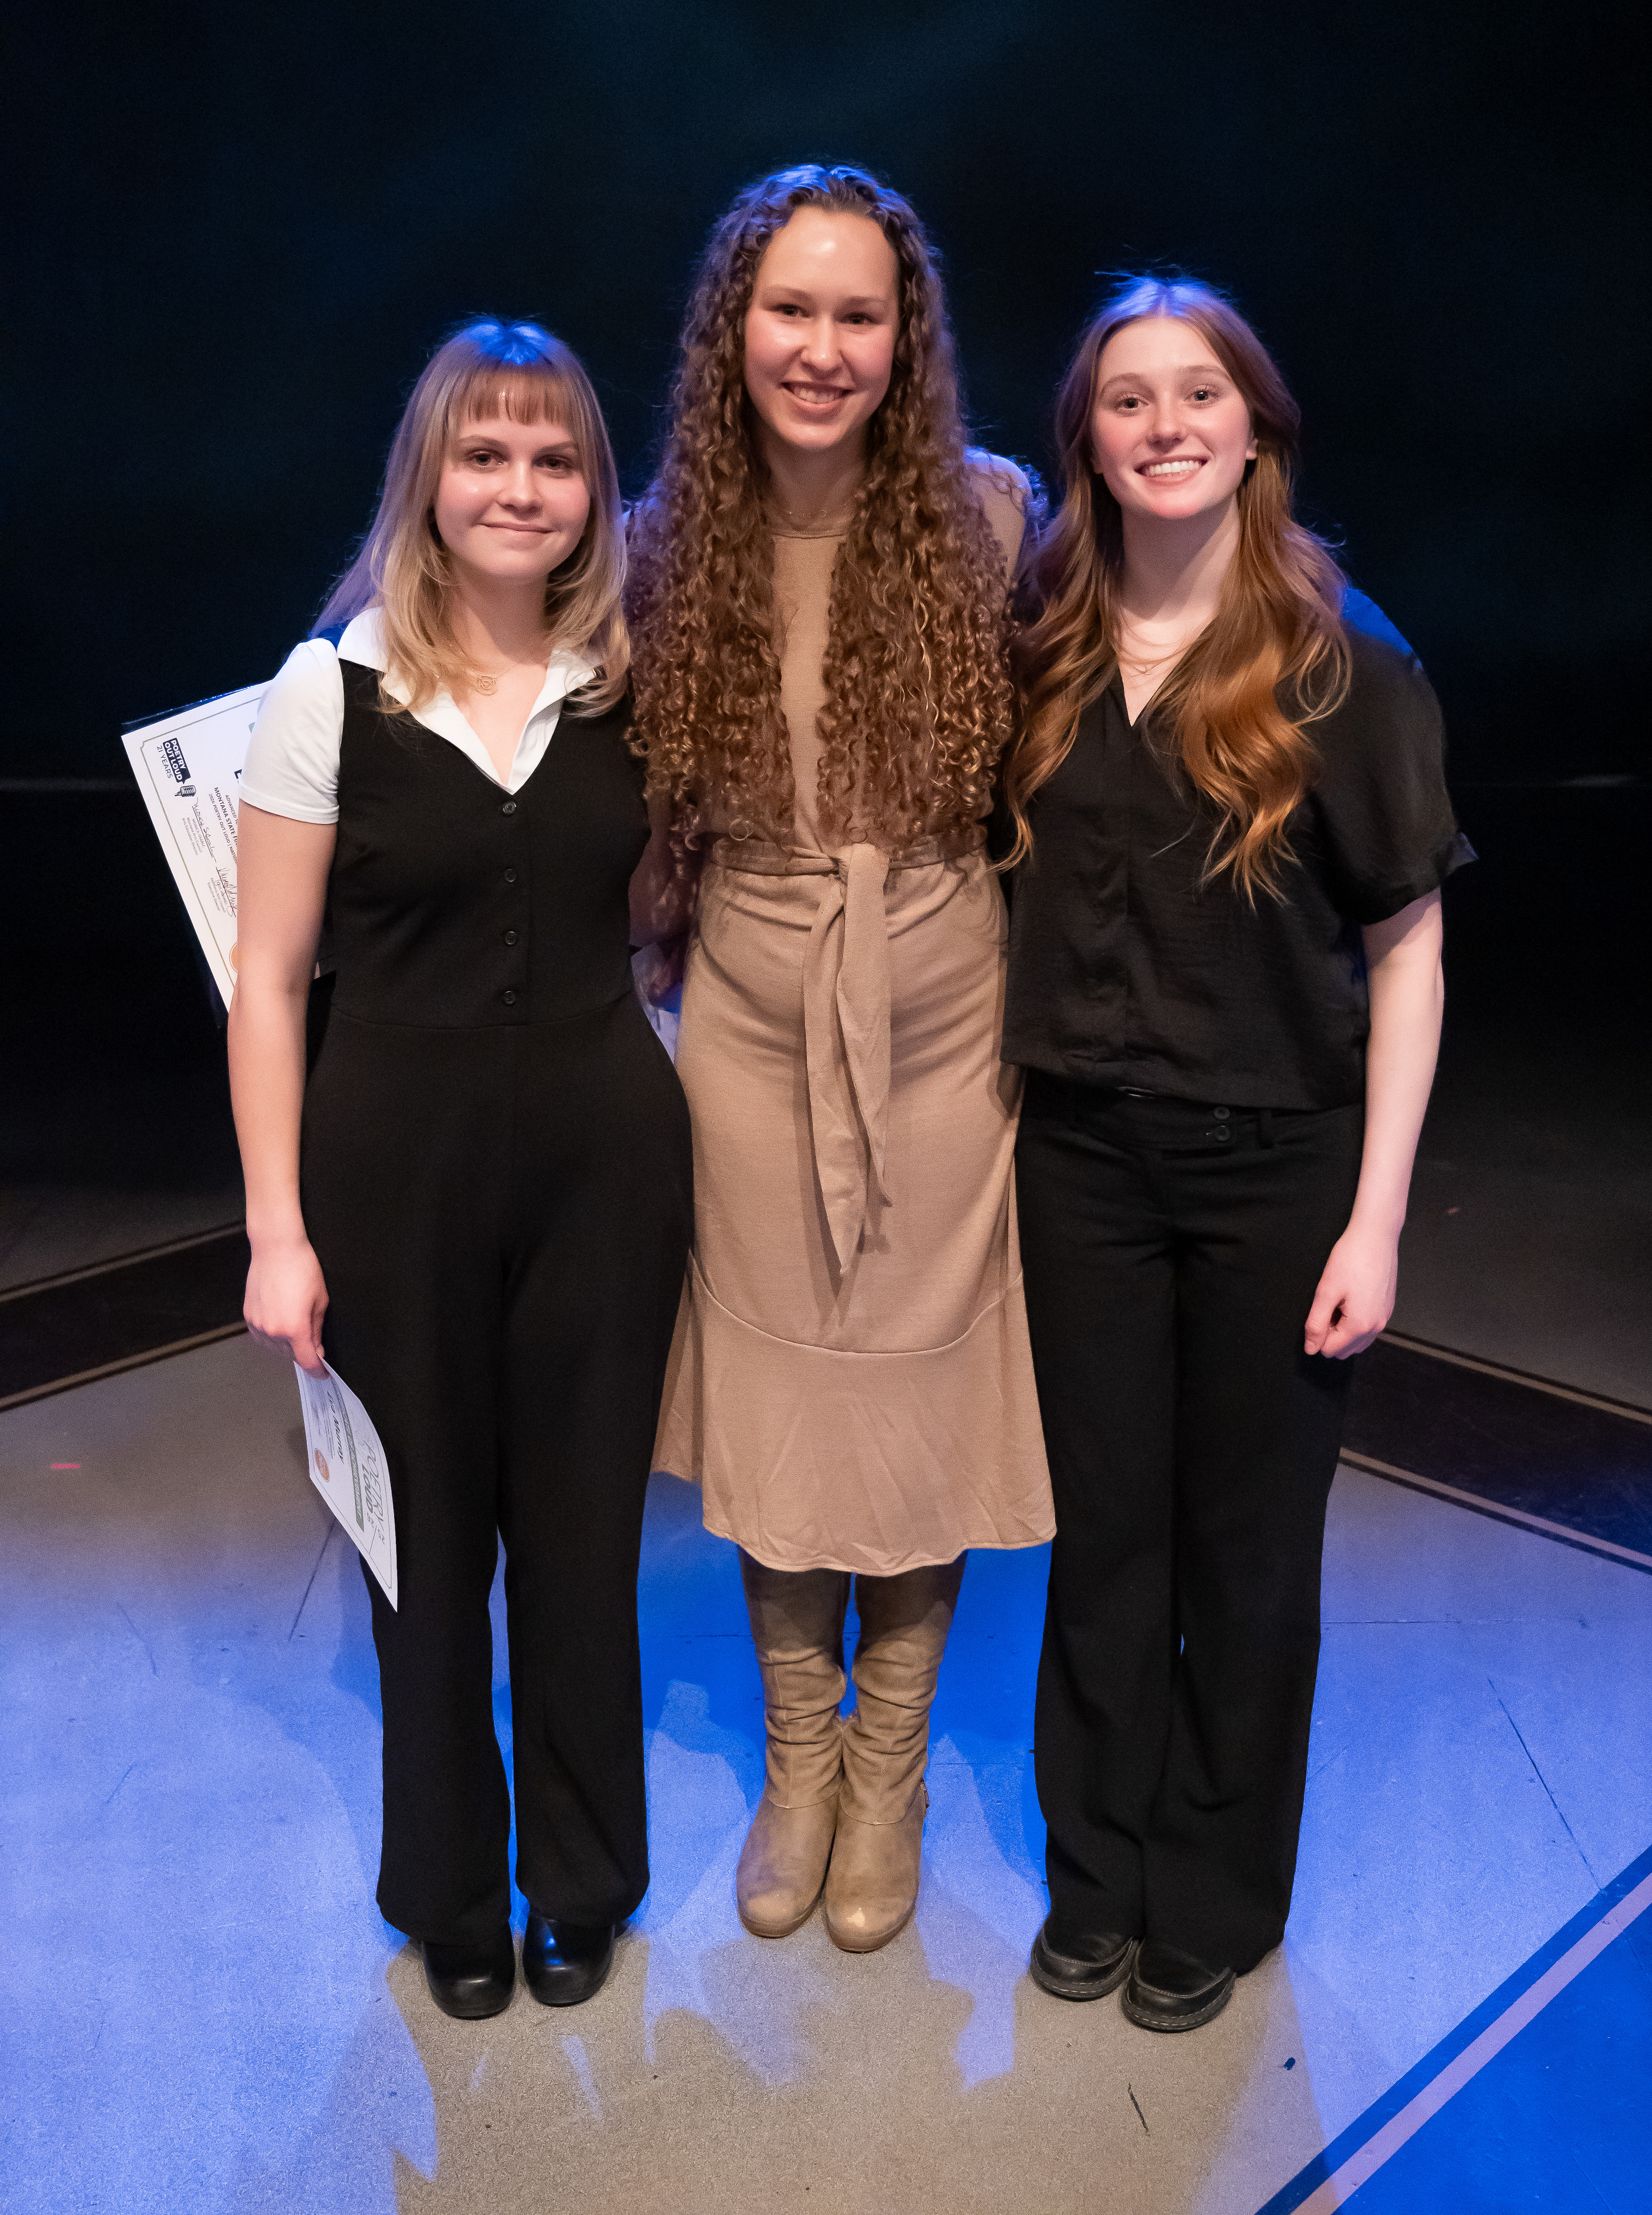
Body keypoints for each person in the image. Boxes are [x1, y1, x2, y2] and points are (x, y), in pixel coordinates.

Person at [1001, 276, 1470, 2032]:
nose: (1166, 424)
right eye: (1129, 397)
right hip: (1082, 1163)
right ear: (1089, 439)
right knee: (1105, 1534)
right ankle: (1095, 1872)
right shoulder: (1043, 639)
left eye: (1199, 392)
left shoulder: (1342, 656)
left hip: (1278, 1165)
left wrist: (1378, 1222)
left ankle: (1210, 1894)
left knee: (1249, 1551)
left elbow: (1408, 949)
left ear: (1255, 425)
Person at [228, 320, 692, 2019]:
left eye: (555, 457)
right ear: (427, 476)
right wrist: (276, 1232)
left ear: (595, 488)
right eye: (484, 453)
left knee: (580, 1547)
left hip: (602, 1169)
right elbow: (269, 979)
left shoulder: (632, 681)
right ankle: (447, 1889)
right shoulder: (331, 687)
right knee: (420, 1558)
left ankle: (583, 1880)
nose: (520, 486)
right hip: (388, 1173)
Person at [627, 165, 1054, 1954]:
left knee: (918, 1397)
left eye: (856, 314)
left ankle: (889, 1765)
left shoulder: (994, 516)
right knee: (783, 1394)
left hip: (945, 1009)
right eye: (788, 310)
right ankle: (798, 1761)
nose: (820, 347)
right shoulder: (659, 543)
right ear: (734, 330)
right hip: (745, 1012)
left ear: (905, 337)